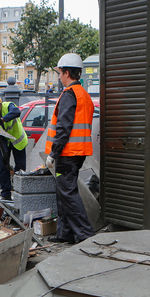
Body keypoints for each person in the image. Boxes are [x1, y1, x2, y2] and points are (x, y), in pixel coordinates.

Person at [44, 53, 95, 244]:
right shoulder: (83, 95)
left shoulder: (69, 95)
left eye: (59, 73)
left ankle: (85, 235)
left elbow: (63, 128)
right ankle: (64, 234)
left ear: (66, 73)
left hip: (67, 153)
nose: (58, 77)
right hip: (77, 152)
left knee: (68, 193)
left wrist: (52, 154)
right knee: (63, 192)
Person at [0, 91, 28, 201]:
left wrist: (2, 119)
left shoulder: (9, 106)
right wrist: (4, 153)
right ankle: (6, 194)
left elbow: (16, 112)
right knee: (2, 168)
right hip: (3, 142)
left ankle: (20, 192)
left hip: (18, 141)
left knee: (20, 168)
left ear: (0, 104)